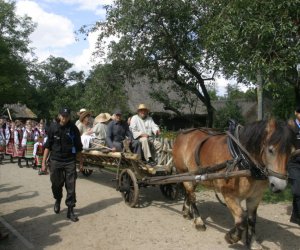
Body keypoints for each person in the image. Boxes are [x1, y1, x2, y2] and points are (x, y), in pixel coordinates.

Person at [41, 108, 83, 222]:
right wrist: (43, 163)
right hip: (55, 160)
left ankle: (70, 210)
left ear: (69, 116)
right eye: (63, 116)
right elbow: (47, 146)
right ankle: (58, 199)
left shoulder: (74, 129)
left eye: (67, 116)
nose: (65, 118)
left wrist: (81, 163)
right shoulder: (53, 128)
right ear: (59, 116)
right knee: (56, 184)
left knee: (71, 186)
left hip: (70, 160)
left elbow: (78, 147)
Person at [287, 106, 300, 226]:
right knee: (297, 190)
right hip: (294, 163)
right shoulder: (290, 127)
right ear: (296, 113)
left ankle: (295, 217)